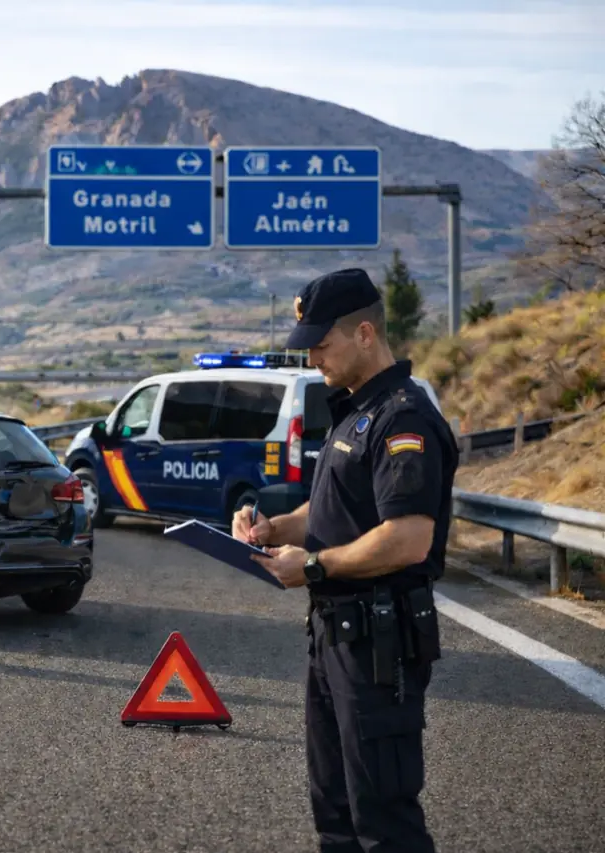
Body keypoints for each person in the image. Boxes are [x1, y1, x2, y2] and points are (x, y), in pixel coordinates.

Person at [232, 268, 457, 853]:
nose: (312, 360)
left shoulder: (403, 418)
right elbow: (331, 510)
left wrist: (312, 566)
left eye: (321, 345)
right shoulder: (357, 412)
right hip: (334, 637)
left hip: (379, 645)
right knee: (335, 814)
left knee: (383, 823)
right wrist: (271, 528)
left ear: (364, 333)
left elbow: (409, 538)